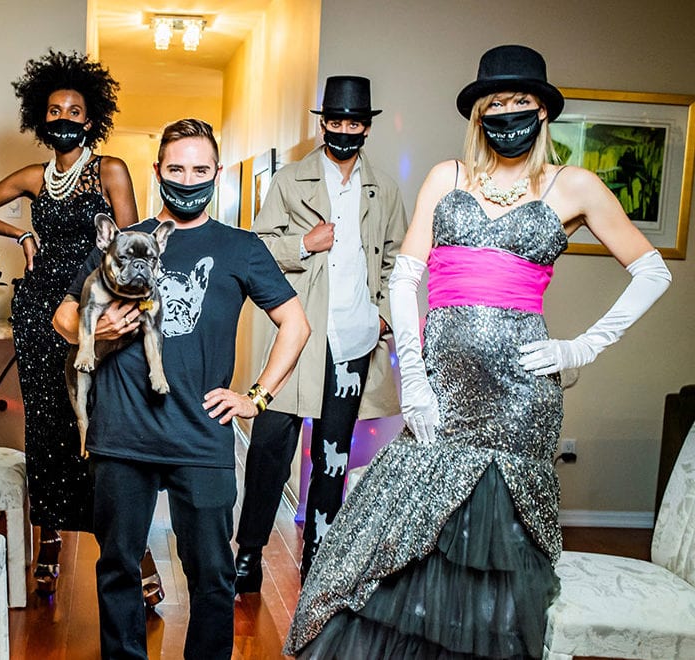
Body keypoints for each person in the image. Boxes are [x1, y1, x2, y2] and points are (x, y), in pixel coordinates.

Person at [285, 44, 672, 659]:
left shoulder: (575, 185)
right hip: (441, 383)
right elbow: (406, 275)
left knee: (493, 544)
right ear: (478, 114)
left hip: (521, 395)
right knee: (410, 537)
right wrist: (413, 375)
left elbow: (652, 272)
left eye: (521, 102)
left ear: (543, 111)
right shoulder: (448, 177)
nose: (509, 113)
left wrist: (582, 348)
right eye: (496, 103)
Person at [53, 118, 310, 659]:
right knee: (118, 569)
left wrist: (255, 397)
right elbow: (62, 315)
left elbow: (297, 324)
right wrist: (94, 330)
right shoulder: (128, 239)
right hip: (121, 434)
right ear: (157, 171)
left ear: (216, 174)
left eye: (199, 169)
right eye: (176, 168)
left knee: (214, 579)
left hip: (202, 437)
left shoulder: (240, 248)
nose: (187, 178)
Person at [0, 50, 141, 596]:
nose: (63, 117)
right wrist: (20, 234)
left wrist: (115, 307)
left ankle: (130, 559)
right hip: (38, 313)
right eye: (54, 110)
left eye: (74, 110)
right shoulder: (35, 178)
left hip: (90, 312)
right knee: (45, 433)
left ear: (89, 120)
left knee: (93, 430)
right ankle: (48, 543)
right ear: (41, 119)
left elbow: (133, 248)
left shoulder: (109, 169)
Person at [235, 75, 407, 589]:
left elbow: (400, 260)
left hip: (355, 343)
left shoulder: (385, 188)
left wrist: (384, 317)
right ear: (323, 123)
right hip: (302, 340)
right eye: (335, 121)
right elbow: (259, 249)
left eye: (353, 122)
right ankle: (248, 554)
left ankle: (319, 557)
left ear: (366, 127)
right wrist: (305, 243)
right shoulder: (290, 181)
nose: (343, 130)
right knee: (270, 447)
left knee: (332, 455)